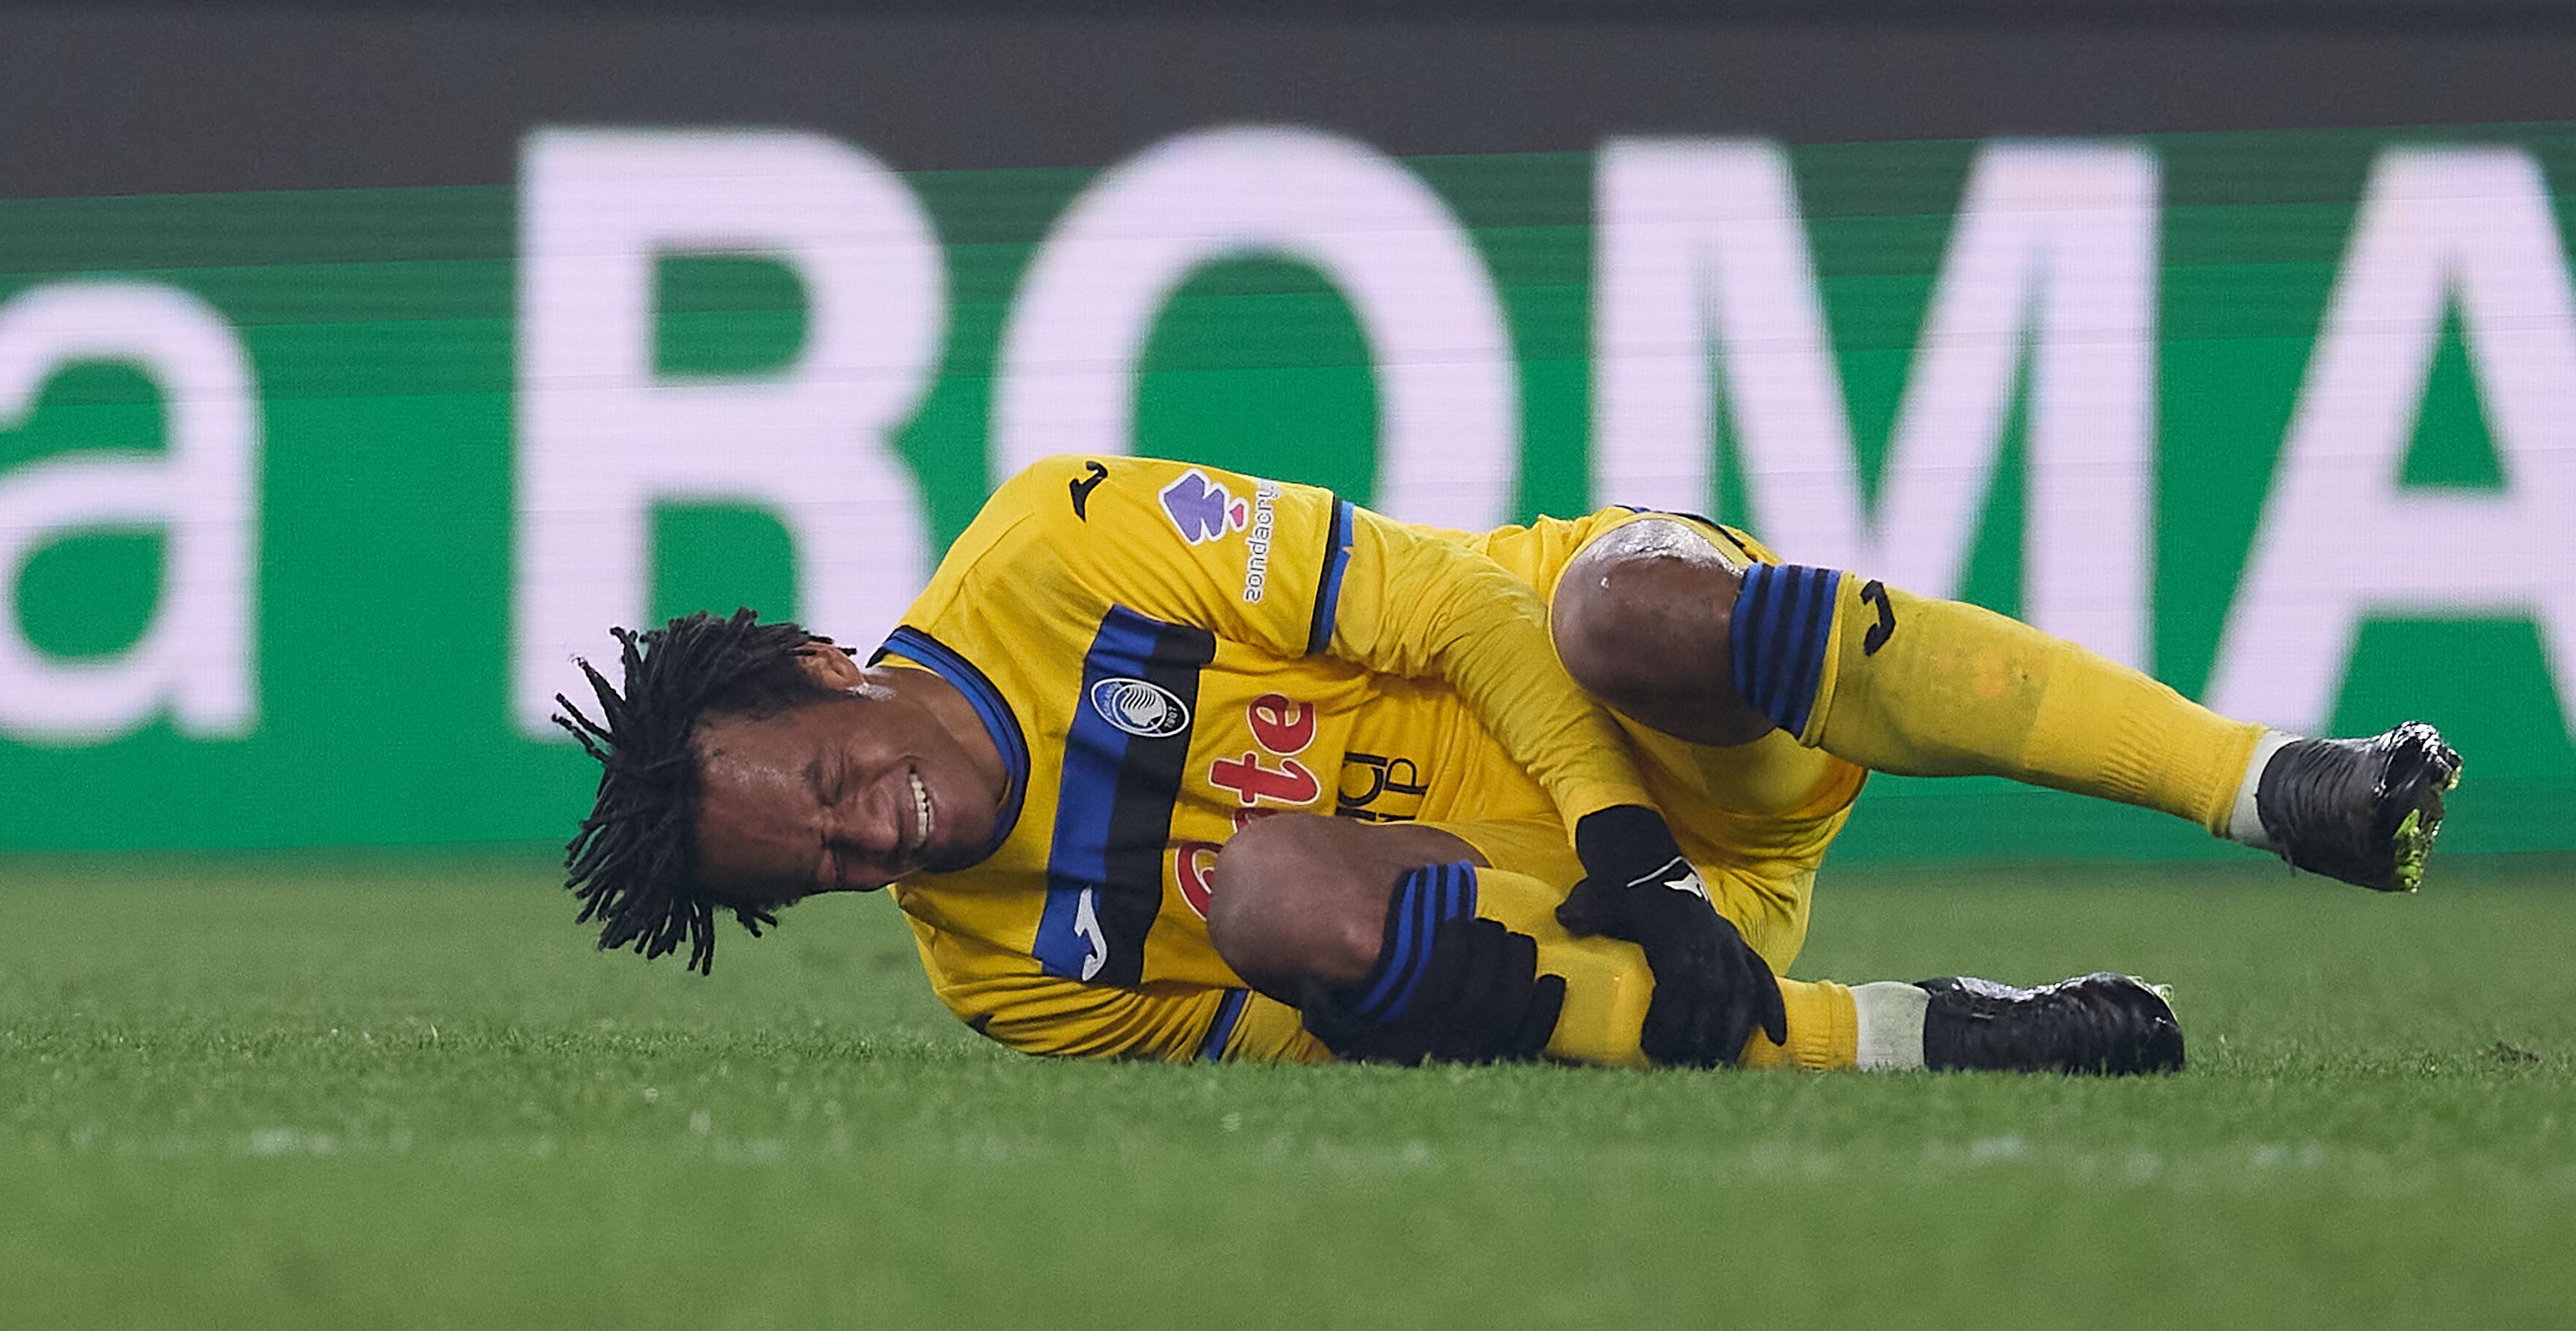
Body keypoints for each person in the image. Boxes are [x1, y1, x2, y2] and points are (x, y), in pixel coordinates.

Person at [556, 454, 2459, 1074]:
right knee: (1290, 904)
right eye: (808, 877)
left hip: (1640, 739)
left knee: (1622, 606)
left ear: (824, 669)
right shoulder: (1008, 981)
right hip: (1610, 928)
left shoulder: (1052, 546)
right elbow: (1355, 1027)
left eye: (817, 791)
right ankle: (1929, 1029)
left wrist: (1628, 830)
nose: (861, 845)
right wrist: (1650, 942)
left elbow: (1461, 604)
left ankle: (2268, 784)